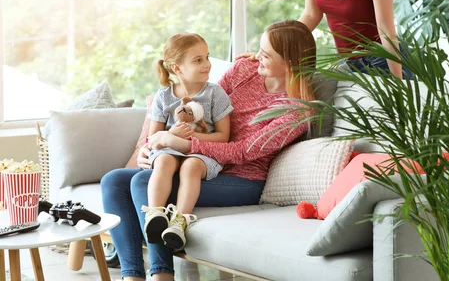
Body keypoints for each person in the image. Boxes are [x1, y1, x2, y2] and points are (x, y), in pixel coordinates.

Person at [101, 20, 316, 281]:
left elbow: (242, 152)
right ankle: (132, 275)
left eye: (266, 54)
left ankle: (162, 275)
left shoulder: (297, 110)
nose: (256, 56)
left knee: (141, 182)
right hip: (199, 163)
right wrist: (154, 145)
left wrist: (181, 144)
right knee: (113, 181)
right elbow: (205, 103)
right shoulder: (245, 70)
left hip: (242, 180)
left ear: (290, 63)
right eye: (259, 49)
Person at [143, 33, 233, 251]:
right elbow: (153, 138)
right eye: (198, 60)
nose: (207, 64)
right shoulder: (164, 96)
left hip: (202, 154)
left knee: (191, 166)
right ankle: (155, 215)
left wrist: (191, 138)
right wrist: (172, 134)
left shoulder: (215, 93)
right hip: (169, 151)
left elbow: (223, 137)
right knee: (164, 162)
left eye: (207, 57)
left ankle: (179, 222)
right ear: (177, 68)